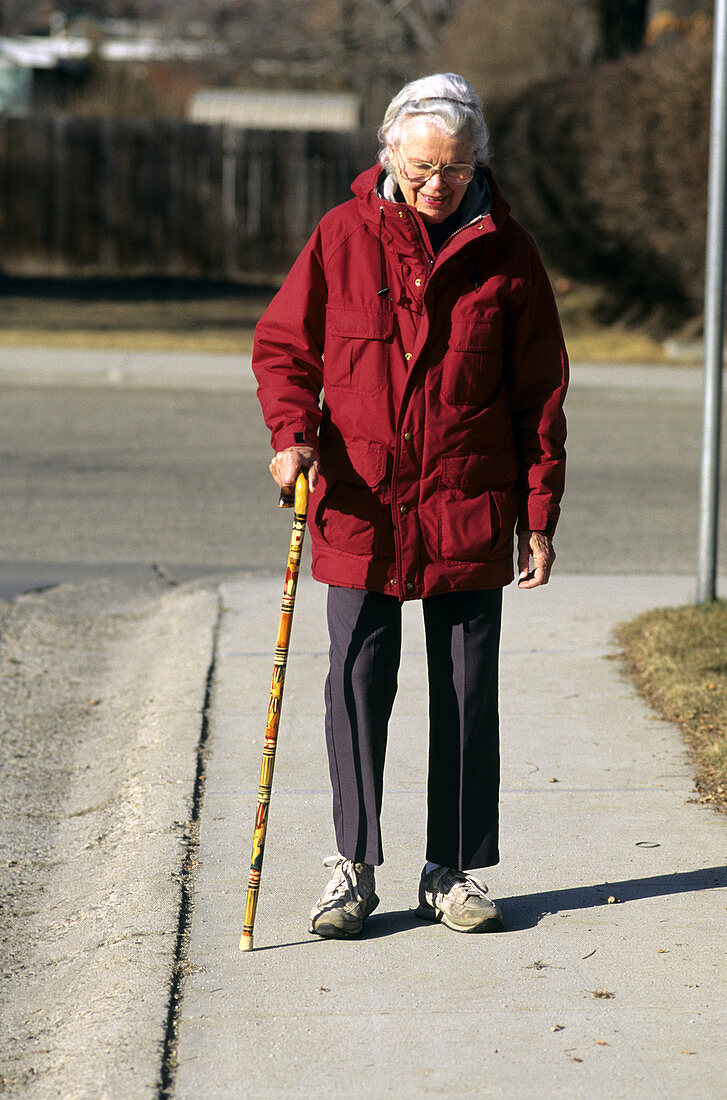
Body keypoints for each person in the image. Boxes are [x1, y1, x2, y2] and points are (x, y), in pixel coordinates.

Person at [252, 72, 568, 938]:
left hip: (467, 501)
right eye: (423, 166)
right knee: (354, 684)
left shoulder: (509, 254)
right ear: (388, 152)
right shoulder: (342, 236)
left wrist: (537, 516)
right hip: (360, 502)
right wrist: (291, 435)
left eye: (457, 170)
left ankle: (450, 869)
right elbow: (284, 349)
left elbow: (539, 394)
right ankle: (351, 867)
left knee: (466, 693)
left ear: (479, 167)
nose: (438, 185)